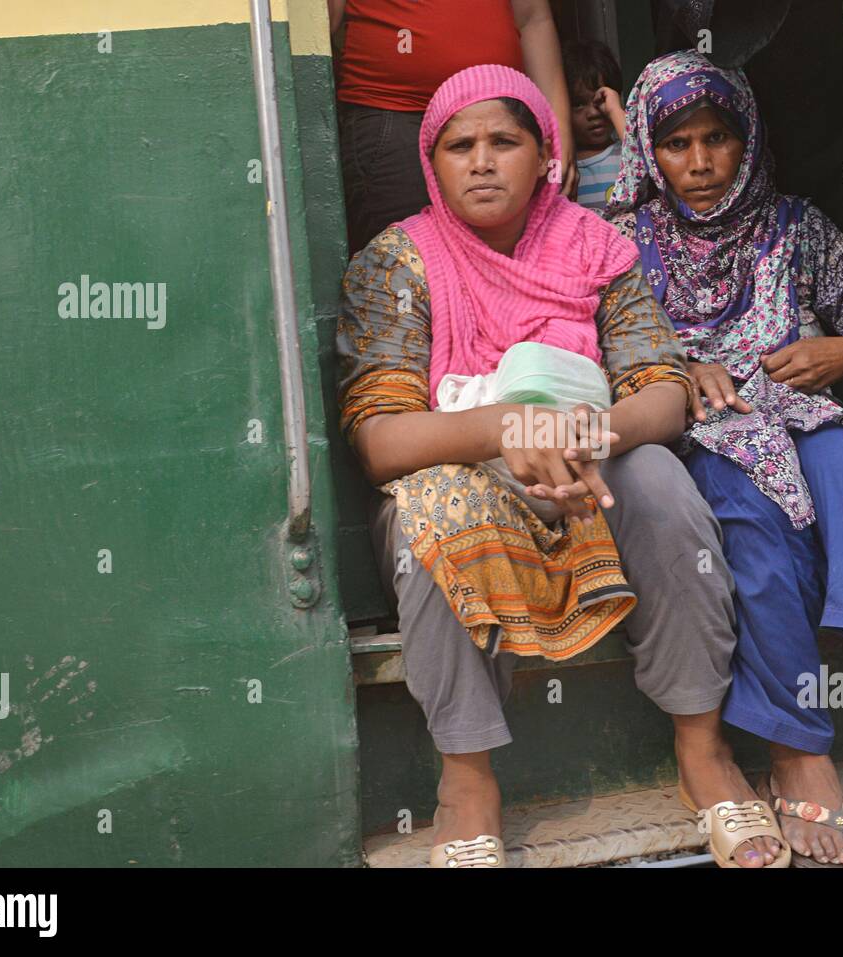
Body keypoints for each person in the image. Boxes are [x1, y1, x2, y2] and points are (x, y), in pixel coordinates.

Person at [338, 64, 790, 868]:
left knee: (660, 479)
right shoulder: (398, 262)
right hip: (471, 475)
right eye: (459, 145)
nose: (481, 161)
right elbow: (380, 436)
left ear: (545, 154)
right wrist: (505, 428)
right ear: (431, 162)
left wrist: (577, 433)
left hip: (591, 469)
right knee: (430, 508)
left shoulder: (598, 249)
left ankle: (702, 749)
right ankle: (467, 781)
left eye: (504, 141)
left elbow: (661, 394)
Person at [607, 50, 843, 868]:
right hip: (700, 435)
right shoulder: (619, 243)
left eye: (718, 137)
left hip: (801, 413)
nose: (703, 161)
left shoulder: (795, 227)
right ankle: (798, 750)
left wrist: (842, 352)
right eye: (678, 143)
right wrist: (675, 371)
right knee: (748, 515)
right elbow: (597, 355)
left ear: (746, 139)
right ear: (649, 150)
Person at [329, 0, 578, 254]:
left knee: (510, 259)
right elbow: (320, 21)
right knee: (409, 260)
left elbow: (533, 19)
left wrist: (559, 129)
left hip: (500, 114)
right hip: (396, 111)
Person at [562, 39, 627, 214]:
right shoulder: (563, 165)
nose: (593, 113)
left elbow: (644, 160)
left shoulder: (625, 153)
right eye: (578, 104)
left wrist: (615, 111)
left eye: (601, 100)